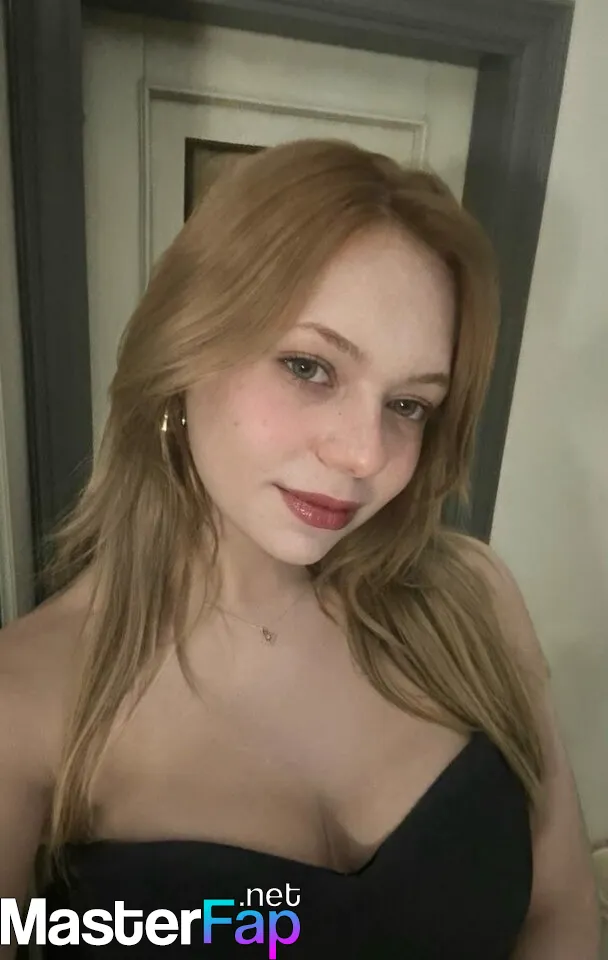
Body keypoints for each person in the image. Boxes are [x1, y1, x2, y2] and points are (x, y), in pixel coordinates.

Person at [0, 138, 600, 958]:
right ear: (182, 349)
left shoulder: (475, 602)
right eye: (309, 366)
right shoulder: (25, 708)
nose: (364, 454)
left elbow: (559, 912)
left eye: (409, 405)